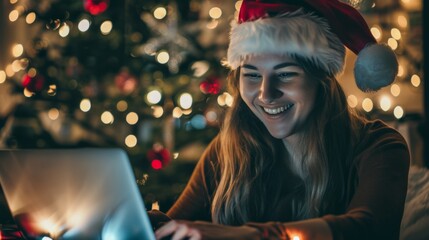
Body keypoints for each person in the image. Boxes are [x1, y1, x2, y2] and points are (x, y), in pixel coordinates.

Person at [150, 0, 410, 239]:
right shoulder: (228, 150)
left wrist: (249, 235)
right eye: (251, 75)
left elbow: (367, 228)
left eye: (285, 75)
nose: (266, 94)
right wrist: (152, 225)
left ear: (322, 81)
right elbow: (174, 225)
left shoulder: (378, 146)